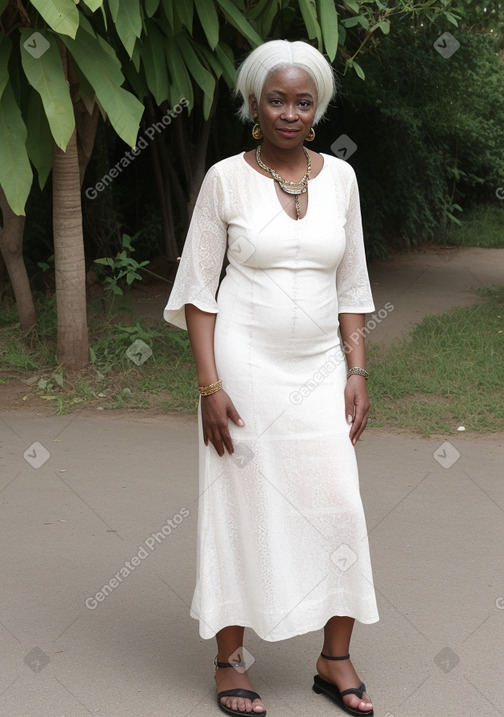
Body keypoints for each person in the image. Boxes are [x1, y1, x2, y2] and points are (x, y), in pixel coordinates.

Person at [164, 39, 379, 717]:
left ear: (317, 109)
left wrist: (358, 368)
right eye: (276, 99)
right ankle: (231, 659)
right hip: (245, 365)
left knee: (338, 501)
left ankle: (333, 655)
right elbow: (200, 290)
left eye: (303, 100)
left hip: (319, 368)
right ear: (254, 104)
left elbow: (353, 286)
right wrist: (209, 385)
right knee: (241, 503)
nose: (289, 111)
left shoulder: (339, 179)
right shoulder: (226, 179)